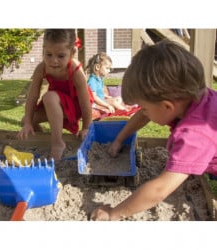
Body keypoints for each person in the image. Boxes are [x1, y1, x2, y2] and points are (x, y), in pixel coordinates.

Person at [90, 39, 217, 220]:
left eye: (145, 107)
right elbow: (143, 116)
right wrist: (119, 139)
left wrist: (113, 213)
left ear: (167, 107)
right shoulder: (194, 99)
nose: (144, 112)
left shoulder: (195, 134)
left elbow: (159, 190)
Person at [17, 29, 92, 160]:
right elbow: (32, 96)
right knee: (25, 120)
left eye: (61, 56)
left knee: (49, 96)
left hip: (74, 107)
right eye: (49, 54)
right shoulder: (41, 68)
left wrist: (86, 127)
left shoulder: (76, 71)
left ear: (72, 53)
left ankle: (57, 143)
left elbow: (85, 103)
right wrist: (28, 122)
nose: (54, 61)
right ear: (43, 51)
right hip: (54, 103)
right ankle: (45, 139)